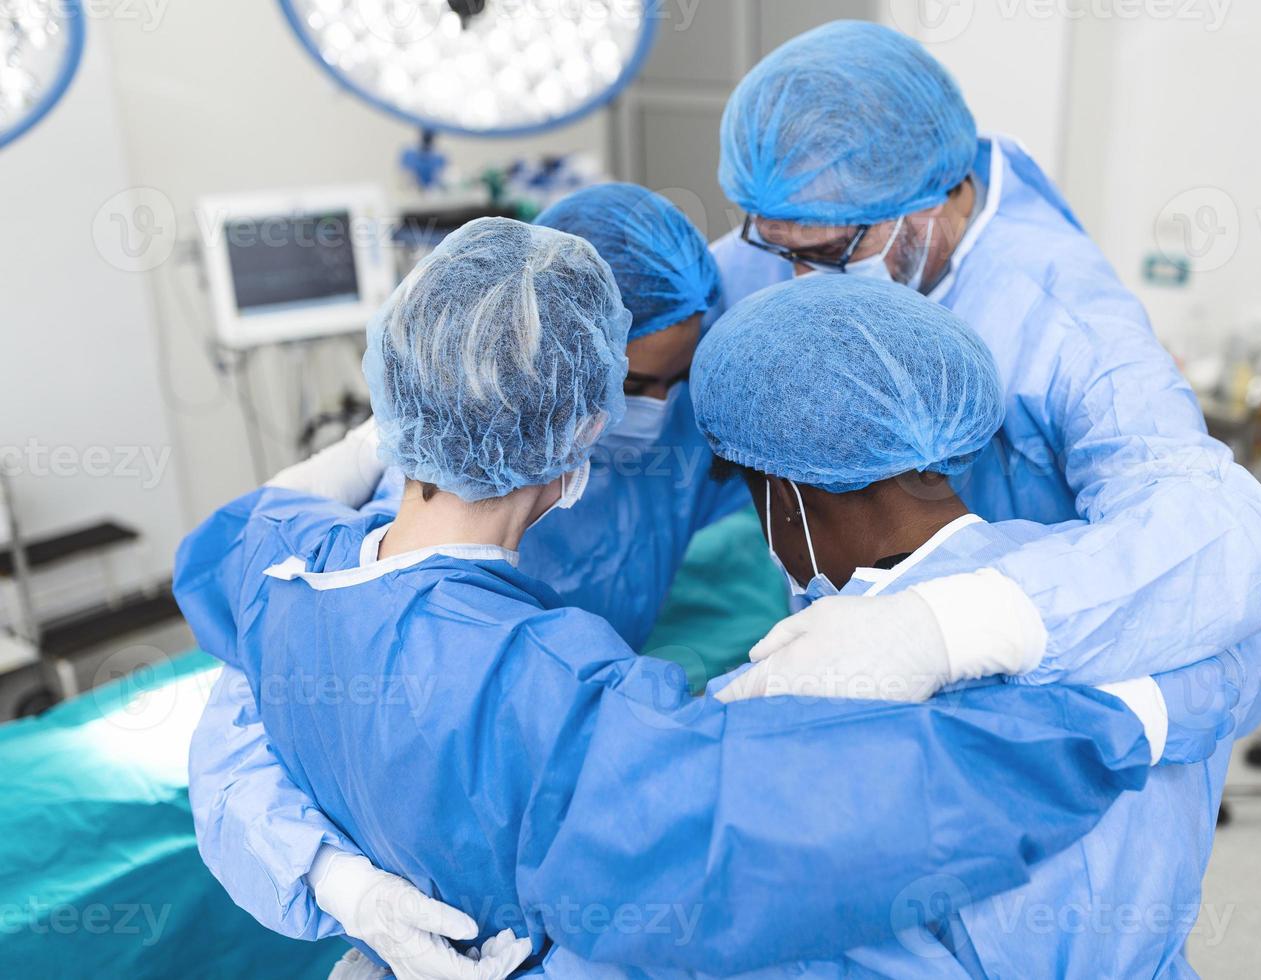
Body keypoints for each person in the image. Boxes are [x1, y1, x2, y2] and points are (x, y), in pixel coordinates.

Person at [175, 218, 1163, 979]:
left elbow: (219, 540)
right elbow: (784, 827)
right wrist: (1108, 724)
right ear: (579, 432)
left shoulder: (278, 570)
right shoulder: (541, 681)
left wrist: (338, 884)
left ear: (398, 392)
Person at [706, 21, 1261, 976]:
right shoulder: (816, 226)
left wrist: (952, 627)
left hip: (1050, 700)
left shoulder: (1061, 319)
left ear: (936, 201)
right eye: (780, 252)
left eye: (821, 252)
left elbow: (1224, 548)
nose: (795, 277)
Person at [184, 185, 750, 969]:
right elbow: (238, 742)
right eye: (629, 386)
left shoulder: (677, 428)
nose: (655, 409)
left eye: (674, 381)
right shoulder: (436, 487)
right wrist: (342, 883)